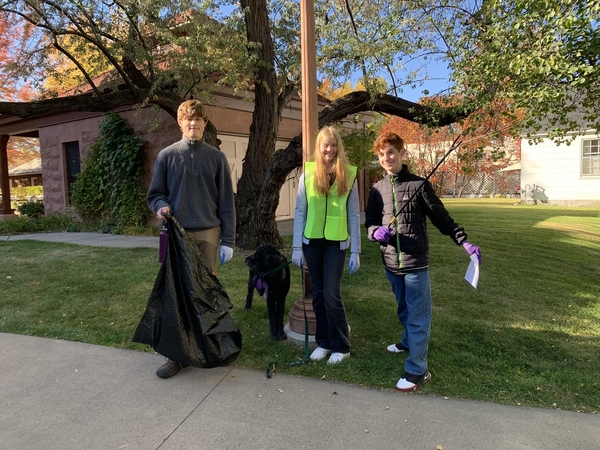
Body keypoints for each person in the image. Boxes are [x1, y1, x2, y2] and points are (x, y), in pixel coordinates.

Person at [365, 132, 481, 391]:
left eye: (391, 152)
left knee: (418, 315)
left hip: (415, 262)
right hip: (391, 263)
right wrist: (375, 233)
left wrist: (464, 241)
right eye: (381, 154)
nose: (387, 158)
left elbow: (443, 219)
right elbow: (370, 221)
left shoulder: (419, 185)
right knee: (403, 309)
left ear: (402, 153)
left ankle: (417, 369)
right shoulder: (377, 189)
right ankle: (408, 341)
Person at [147, 98, 236, 378]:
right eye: (188, 119)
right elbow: (155, 194)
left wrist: (229, 241)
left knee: (206, 295)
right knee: (176, 296)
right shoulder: (167, 156)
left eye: (198, 119)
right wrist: (160, 206)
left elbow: (226, 203)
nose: (193, 123)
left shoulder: (217, 158)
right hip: (177, 235)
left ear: (205, 124)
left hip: (209, 235)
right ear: (180, 122)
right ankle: (175, 355)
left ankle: (208, 347)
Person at [292, 126, 361, 365]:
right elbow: (300, 210)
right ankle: (324, 343)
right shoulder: (308, 174)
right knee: (318, 295)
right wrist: (296, 247)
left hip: (336, 244)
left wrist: (356, 251)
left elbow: (353, 214)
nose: (329, 149)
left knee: (332, 294)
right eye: (325, 145)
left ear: (338, 146)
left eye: (333, 144)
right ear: (318, 148)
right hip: (311, 243)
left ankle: (341, 346)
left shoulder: (348, 175)